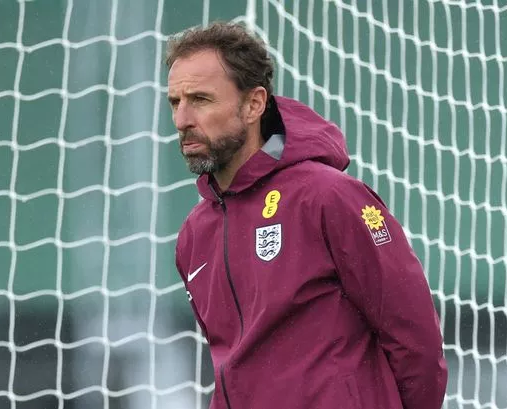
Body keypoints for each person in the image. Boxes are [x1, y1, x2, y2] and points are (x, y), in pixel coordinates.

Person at [166, 21, 448, 409]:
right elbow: (232, 369)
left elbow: (415, 339)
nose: (182, 120)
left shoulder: (330, 197)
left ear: (254, 104)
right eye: (175, 103)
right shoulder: (194, 235)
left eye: (200, 99)